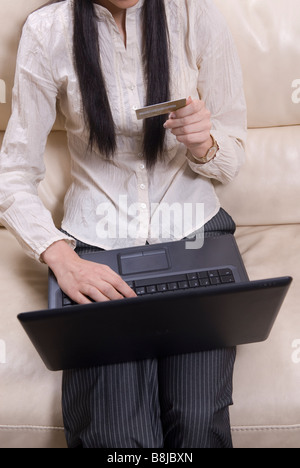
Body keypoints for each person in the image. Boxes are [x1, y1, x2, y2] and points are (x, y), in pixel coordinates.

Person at [0, 0, 247, 448]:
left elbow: (231, 162)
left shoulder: (195, 15)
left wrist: (204, 143)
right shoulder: (46, 31)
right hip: (96, 245)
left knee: (196, 422)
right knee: (116, 435)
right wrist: (62, 257)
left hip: (194, 234)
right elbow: (12, 173)